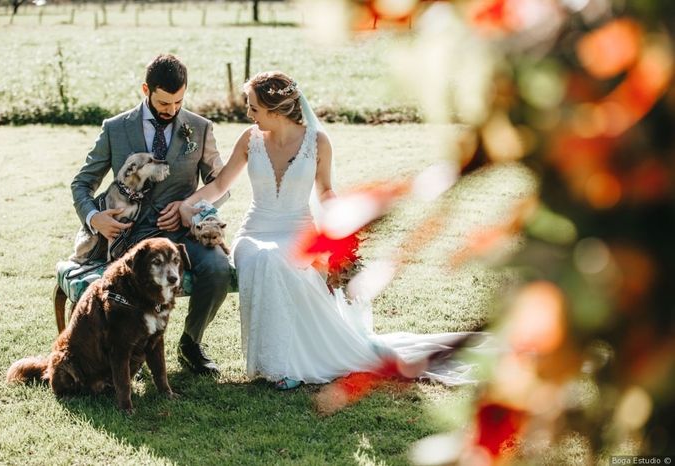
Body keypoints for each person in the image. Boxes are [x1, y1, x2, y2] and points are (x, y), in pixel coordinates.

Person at [179, 71, 483, 390]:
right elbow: (221, 184)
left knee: (279, 259)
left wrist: (341, 218)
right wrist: (187, 204)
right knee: (260, 257)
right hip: (255, 229)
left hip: (298, 229)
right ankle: (274, 364)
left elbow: (325, 190)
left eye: (253, 107)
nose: (248, 113)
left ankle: (292, 363)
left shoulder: (317, 141)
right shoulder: (250, 139)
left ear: (275, 109)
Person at [71, 54, 232, 376]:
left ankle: (191, 343)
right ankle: (131, 350)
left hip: (181, 235)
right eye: (163, 102)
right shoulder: (115, 128)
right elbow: (82, 183)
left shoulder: (200, 128)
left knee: (217, 269)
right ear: (146, 89)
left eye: (178, 102)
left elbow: (221, 185)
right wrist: (94, 219)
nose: (171, 110)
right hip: (128, 239)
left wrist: (188, 205)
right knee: (128, 286)